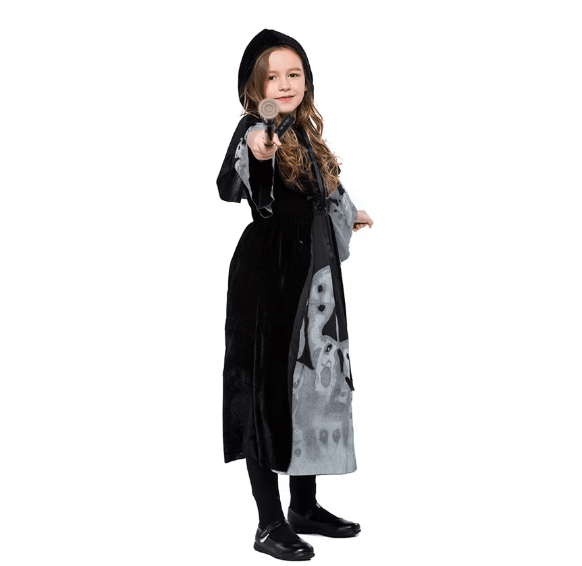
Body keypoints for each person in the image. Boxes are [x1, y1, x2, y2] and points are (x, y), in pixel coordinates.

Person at [216, 29, 373, 561]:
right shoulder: (255, 128)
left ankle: (303, 506)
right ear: (255, 87)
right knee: (265, 388)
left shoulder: (305, 133)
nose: (284, 84)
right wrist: (259, 145)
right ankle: (268, 523)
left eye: (294, 74)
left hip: (313, 276)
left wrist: (350, 213)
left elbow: (323, 191)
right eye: (272, 77)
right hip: (269, 279)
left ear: (306, 80)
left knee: (309, 385)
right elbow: (237, 172)